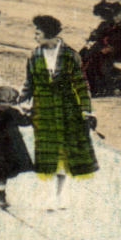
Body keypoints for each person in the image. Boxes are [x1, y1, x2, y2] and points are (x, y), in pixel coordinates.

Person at [24, 14, 98, 211]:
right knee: (47, 155)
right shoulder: (34, 55)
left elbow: (81, 85)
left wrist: (87, 110)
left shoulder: (70, 55)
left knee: (64, 156)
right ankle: (49, 196)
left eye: (38, 32)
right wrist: (22, 101)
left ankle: (60, 195)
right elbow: (29, 83)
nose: (35, 36)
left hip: (67, 112)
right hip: (43, 112)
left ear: (48, 33)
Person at [0, 84, 34, 209]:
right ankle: (1, 196)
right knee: (3, 172)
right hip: (8, 148)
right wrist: (32, 114)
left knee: (1, 173)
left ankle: (1, 196)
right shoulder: (12, 112)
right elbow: (25, 121)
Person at [81, 0, 121, 97]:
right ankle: (95, 86)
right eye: (114, 15)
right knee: (91, 54)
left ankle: (101, 87)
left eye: (117, 15)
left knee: (97, 58)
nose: (115, 17)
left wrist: (111, 48)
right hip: (118, 52)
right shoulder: (120, 24)